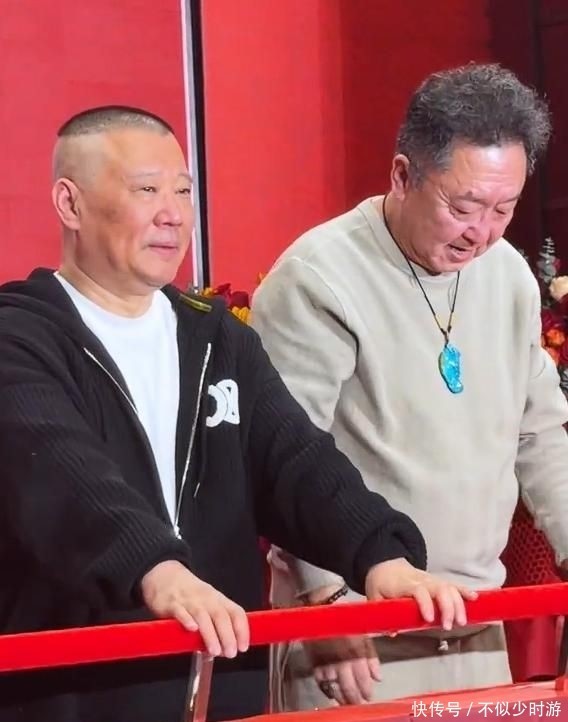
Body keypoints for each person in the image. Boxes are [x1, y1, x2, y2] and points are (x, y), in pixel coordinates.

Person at [0, 106, 471, 722]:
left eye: (183, 191)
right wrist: (158, 571)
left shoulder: (218, 338)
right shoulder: (19, 338)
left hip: (221, 687)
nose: (173, 213)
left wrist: (382, 555)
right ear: (70, 203)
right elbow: (64, 477)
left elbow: (297, 461)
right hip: (74, 696)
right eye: (146, 190)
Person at [250, 63, 568, 710]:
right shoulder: (318, 277)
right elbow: (280, 457)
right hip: (358, 635)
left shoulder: (507, 275)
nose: (481, 232)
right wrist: (323, 601)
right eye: (463, 207)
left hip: (477, 622)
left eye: (503, 209)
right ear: (402, 176)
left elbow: (538, 434)